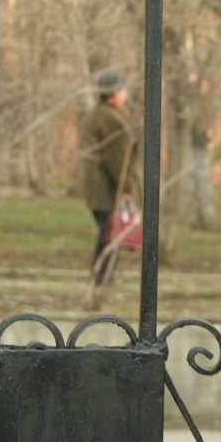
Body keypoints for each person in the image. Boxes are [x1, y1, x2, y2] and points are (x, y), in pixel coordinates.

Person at [79, 70, 141, 283]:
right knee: (110, 233)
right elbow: (119, 159)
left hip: (98, 189)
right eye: (123, 90)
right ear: (113, 93)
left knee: (109, 232)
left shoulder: (98, 115)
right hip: (107, 190)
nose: (126, 94)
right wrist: (126, 188)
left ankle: (103, 276)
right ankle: (100, 277)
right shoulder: (111, 119)